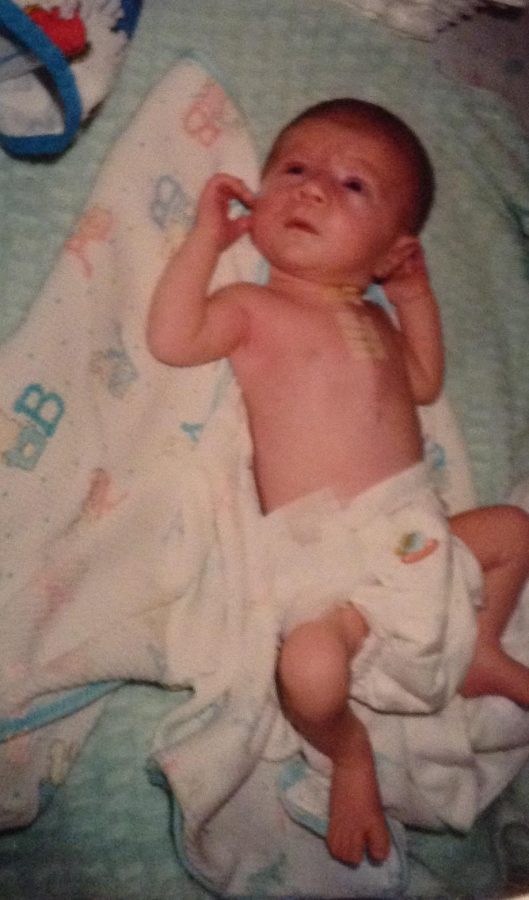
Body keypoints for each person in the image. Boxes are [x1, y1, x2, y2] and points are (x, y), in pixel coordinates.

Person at [147, 99, 529, 867]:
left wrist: (414, 297)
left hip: (419, 536)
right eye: (293, 169)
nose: (313, 188)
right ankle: (349, 753)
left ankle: (479, 645)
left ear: (392, 250)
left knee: (514, 534)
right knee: (310, 671)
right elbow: (172, 338)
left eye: (352, 185)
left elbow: (423, 383)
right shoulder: (253, 306)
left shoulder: (381, 320)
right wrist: (203, 242)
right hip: (331, 565)